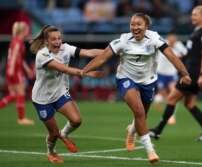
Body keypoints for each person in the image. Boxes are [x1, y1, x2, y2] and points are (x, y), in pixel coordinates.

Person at [81, 13, 191, 163]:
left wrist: (184, 74)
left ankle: (131, 131)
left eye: (139, 24)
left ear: (146, 26)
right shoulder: (123, 40)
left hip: (148, 81)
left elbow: (171, 55)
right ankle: (150, 151)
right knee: (139, 111)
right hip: (126, 79)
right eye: (132, 24)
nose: (135, 27)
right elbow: (102, 57)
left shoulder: (154, 38)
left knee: (142, 116)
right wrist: (84, 71)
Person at [29, 25, 104, 163]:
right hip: (42, 99)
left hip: (60, 93)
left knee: (76, 120)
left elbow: (88, 52)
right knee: (53, 132)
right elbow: (63, 69)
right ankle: (51, 152)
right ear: (46, 42)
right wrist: (86, 72)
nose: (57, 42)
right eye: (53, 39)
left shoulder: (65, 48)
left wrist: (111, 51)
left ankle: (65, 134)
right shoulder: (42, 55)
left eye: (59, 38)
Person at [149, 5, 202, 141]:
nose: (192, 16)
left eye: (195, 14)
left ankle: (157, 131)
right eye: (192, 14)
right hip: (194, 73)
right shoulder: (197, 32)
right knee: (189, 104)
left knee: (171, 99)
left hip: (193, 74)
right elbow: (191, 54)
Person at [0, 21, 35, 125]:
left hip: (12, 70)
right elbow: (15, 55)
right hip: (15, 70)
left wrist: (27, 69)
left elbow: (19, 57)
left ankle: (21, 118)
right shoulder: (18, 42)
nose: (28, 31)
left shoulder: (15, 41)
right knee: (21, 93)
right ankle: (21, 119)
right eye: (27, 29)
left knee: (13, 95)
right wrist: (11, 68)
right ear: (23, 31)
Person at [153, 34, 187, 125]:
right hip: (161, 73)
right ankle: (158, 99)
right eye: (172, 41)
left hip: (172, 74)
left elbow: (185, 52)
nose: (173, 42)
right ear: (168, 39)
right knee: (164, 96)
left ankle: (171, 116)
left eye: (175, 41)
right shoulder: (162, 43)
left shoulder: (178, 45)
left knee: (174, 94)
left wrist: (179, 53)